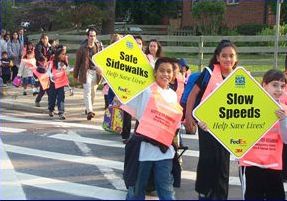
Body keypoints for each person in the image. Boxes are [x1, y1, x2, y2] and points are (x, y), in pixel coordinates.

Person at [185, 40, 238, 200]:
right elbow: (193, 95)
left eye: (231, 56)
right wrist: (189, 117)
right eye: (224, 56)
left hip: (227, 126)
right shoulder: (208, 73)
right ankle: (204, 191)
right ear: (217, 57)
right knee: (208, 158)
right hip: (206, 125)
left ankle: (221, 195)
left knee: (223, 161)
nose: (228, 59)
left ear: (236, 58)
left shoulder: (239, 77)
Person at [123, 57, 183, 200]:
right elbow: (124, 92)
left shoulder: (173, 95)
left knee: (166, 191)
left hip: (164, 151)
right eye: (161, 70)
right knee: (136, 191)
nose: (165, 74)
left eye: (169, 71)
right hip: (144, 150)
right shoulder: (146, 90)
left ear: (173, 75)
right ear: (155, 72)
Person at [239, 69, 287, 200]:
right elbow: (232, 127)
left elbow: (286, 139)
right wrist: (208, 126)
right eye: (274, 85)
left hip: (273, 165)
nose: (279, 89)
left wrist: (283, 120)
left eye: (282, 86)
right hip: (251, 164)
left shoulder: (284, 109)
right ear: (264, 85)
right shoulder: (249, 106)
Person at [74, 27, 103, 120]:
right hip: (86, 72)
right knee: (87, 92)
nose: (92, 38)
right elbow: (77, 62)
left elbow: (104, 59)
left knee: (93, 92)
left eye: (94, 36)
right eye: (91, 36)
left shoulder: (99, 47)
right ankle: (90, 111)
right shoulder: (82, 48)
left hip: (96, 72)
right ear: (87, 37)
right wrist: (75, 75)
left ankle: (88, 108)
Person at [47, 45, 69, 120]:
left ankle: (61, 112)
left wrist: (65, 68)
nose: (64, 56)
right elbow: (47, 72)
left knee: (61, 97)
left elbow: (67, 71)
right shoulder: (52, 62)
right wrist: (51, 76)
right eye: (62, 54)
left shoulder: (64, 63)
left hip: (61, 83)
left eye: (64, 54)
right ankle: (51, 109)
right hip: (53, 83)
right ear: (58, 54)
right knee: (52, 97)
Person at [34, 33, 53, 107]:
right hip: (41, 68)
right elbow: (38, 54)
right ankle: (51, 101)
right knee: (46, 85)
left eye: (47, 39)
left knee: (45, 86)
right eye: (44, 39)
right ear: (41, 39)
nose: (46, 40)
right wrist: (44, 58)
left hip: (48, 67)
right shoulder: (39, 46)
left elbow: (52, 53)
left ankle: (38, 100)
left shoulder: (49, 47)